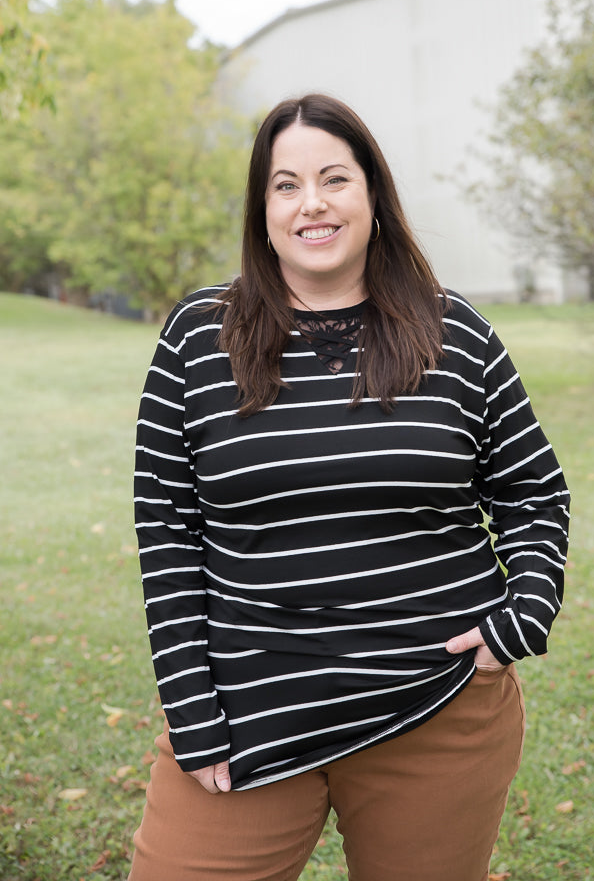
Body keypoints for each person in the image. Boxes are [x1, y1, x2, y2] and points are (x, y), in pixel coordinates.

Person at [129, 93, 569, 881]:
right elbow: (167, 529)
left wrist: (522, 615)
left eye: (335, 178)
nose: (313, 204)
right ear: (262, 208)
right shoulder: (200, 335)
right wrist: (191, 704)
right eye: (286, 185)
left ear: (373, 194)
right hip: (248, 710)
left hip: (435, 707)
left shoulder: (454, 332)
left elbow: (533, 492)